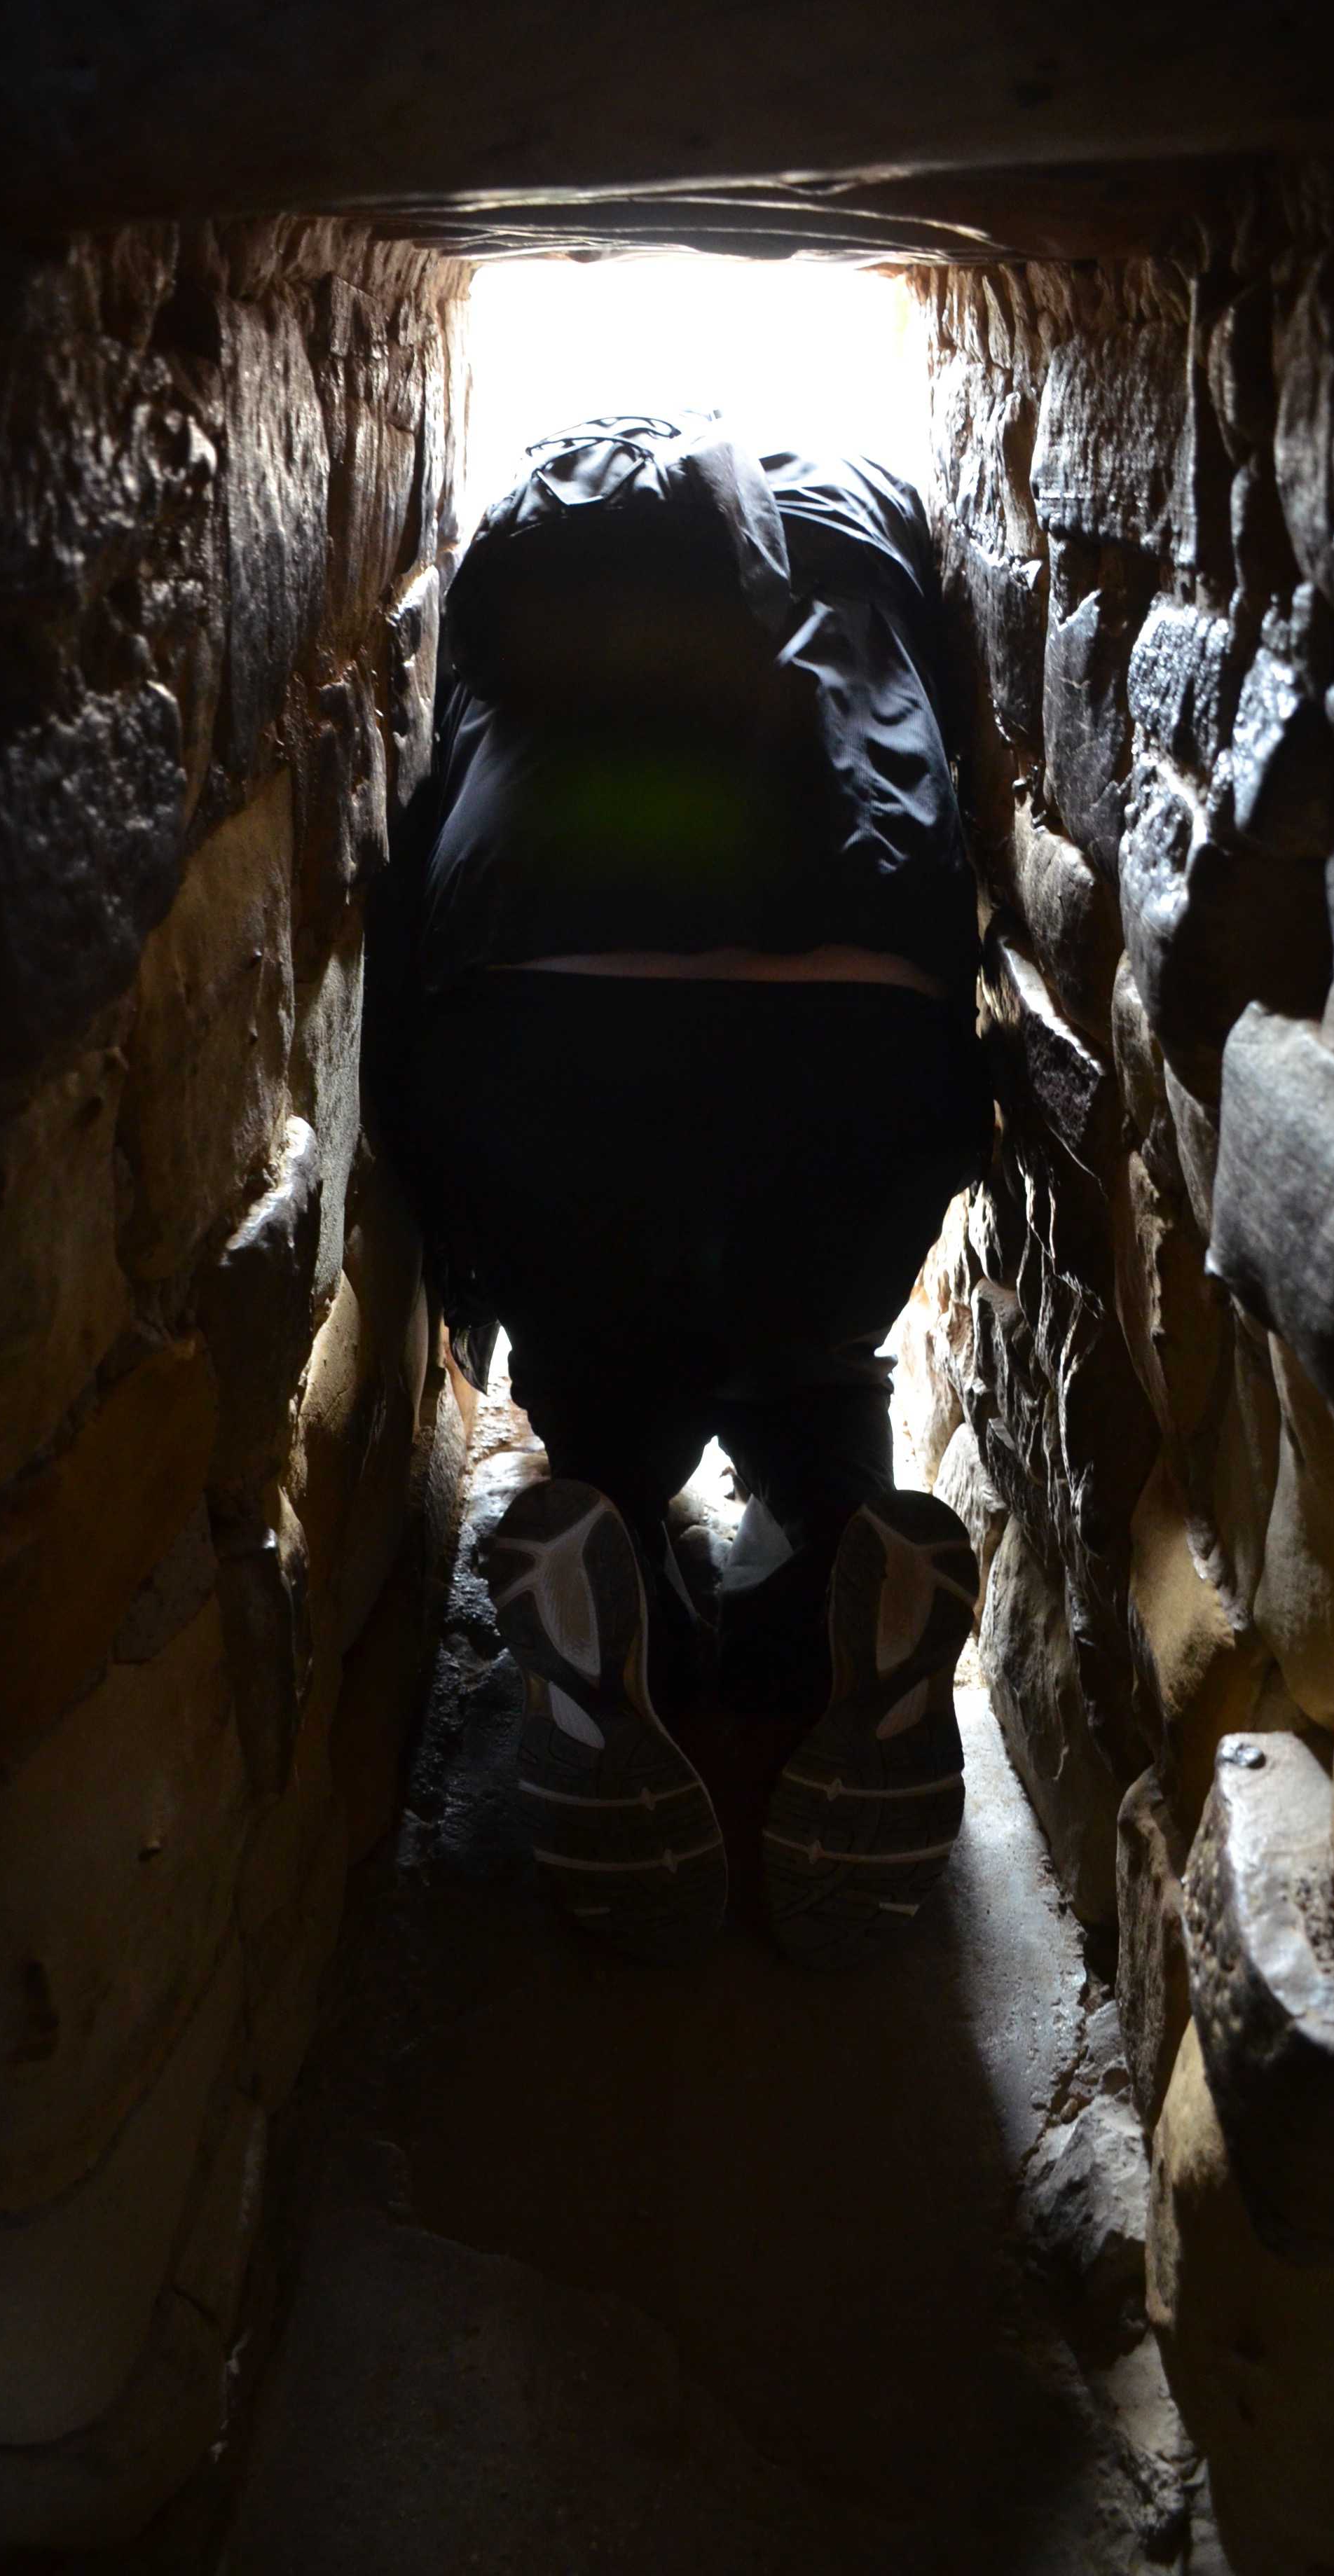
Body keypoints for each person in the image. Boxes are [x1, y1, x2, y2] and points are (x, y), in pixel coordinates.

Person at [366, 415, 990, 1968]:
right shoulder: (871, 516)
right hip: (856, 1050)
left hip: (547, 1051)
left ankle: (621, 1555)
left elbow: (438, 816)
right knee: (809, 1358)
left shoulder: (531, 524)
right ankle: (850, 1556)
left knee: (611, 1383)